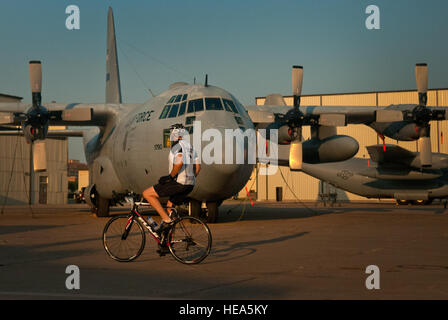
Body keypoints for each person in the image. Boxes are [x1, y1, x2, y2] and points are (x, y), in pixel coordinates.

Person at [143, 124, 200, 236]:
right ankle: (168, 241)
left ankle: (166, 220)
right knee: (170, 208)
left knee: (147, 194)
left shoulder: (177, 146)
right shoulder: (191, 147)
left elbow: (179, 163)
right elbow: (198, 167)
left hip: (179, 183)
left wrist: (170, 177)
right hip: (190, 184)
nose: (170, 136)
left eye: (172, 134)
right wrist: (191, 178)